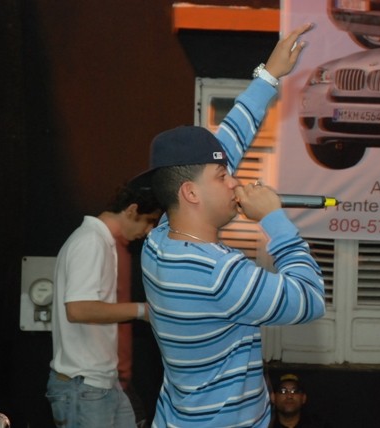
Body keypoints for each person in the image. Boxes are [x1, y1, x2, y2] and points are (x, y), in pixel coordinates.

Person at [132, 23, 326, 427]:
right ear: (190, 193)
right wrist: (275, 221)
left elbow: (227, 146)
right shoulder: (218, 274)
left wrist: (268, 78)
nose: (235, 179)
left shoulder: (160, 241)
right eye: (224, 178)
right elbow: (309, 299)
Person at [46, 184, 163, 428]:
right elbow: (78, 309)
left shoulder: (100, 242)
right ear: (132, 210)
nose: (150, 230)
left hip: (100, 383)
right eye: (150, 220)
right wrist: (142, 311)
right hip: (83, 385)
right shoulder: (91, 241)